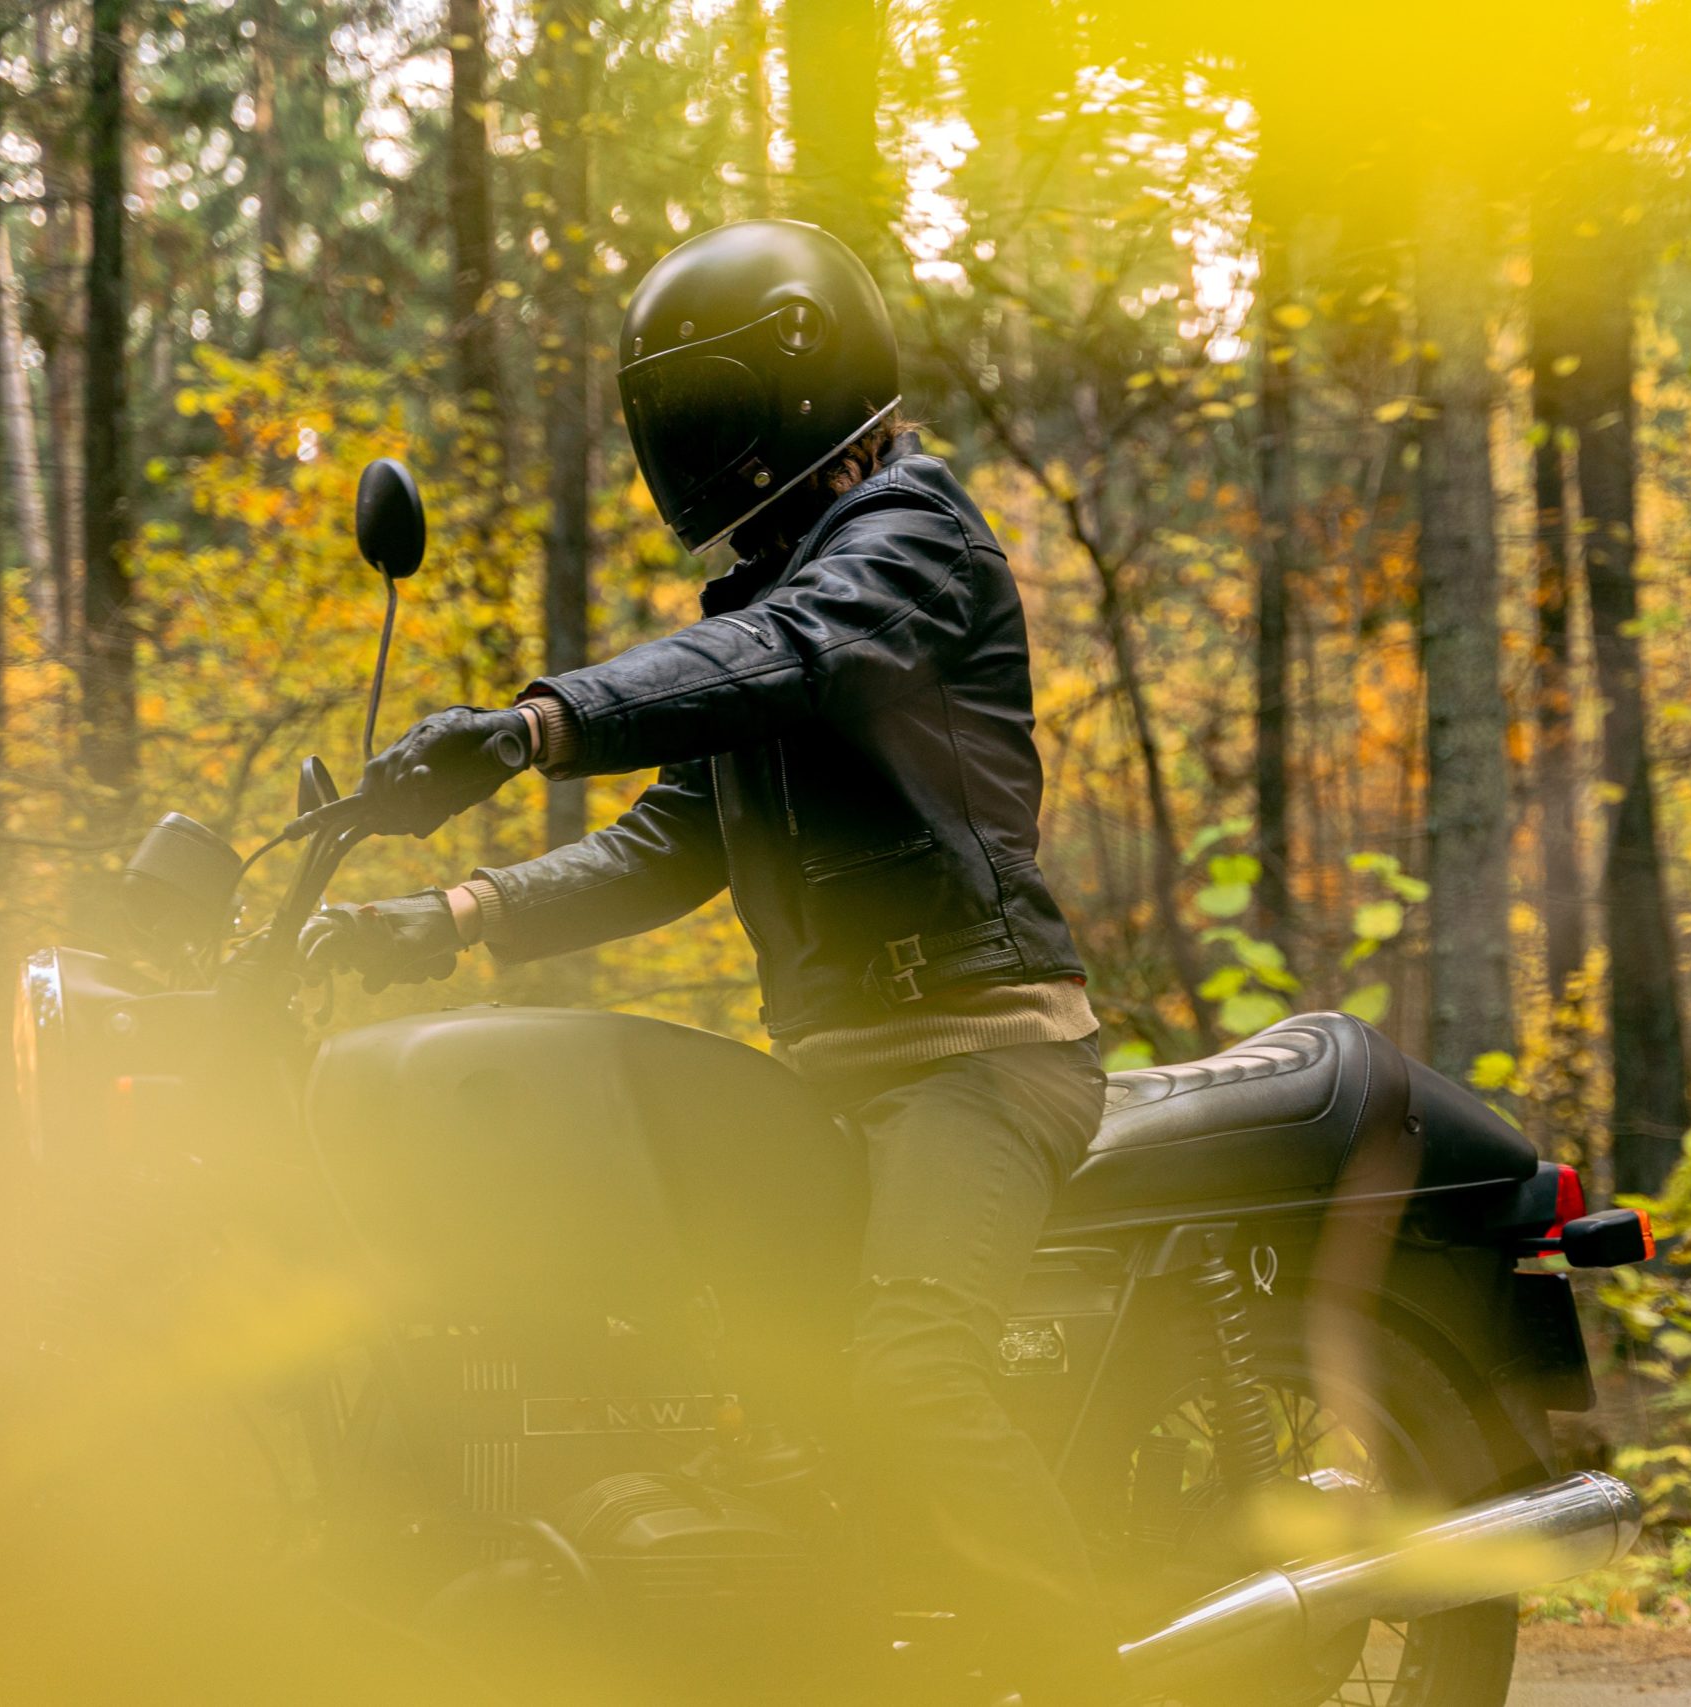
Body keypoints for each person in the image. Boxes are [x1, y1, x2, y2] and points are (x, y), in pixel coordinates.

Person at [301, 218, 1131, 1707]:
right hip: (838, 1078)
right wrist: (451, 919)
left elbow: (805, 649)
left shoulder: (911, 544)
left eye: (695, 402)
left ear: (788, 390)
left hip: (985, 1062)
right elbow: (666, 843)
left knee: (912, 1369)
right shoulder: (767, 602)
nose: (677, 438)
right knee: (698, 1355)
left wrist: (532, 725)